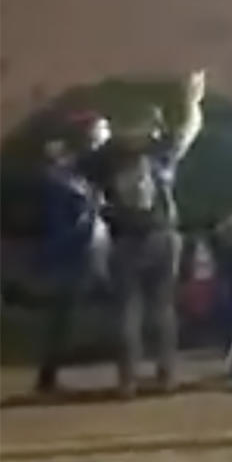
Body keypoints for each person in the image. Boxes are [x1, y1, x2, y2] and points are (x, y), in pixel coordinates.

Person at [88, 73, 205, 396]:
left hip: (125, 238)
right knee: (163, 307)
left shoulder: (104, 158)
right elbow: (188, 131)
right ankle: (166, 376)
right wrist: (193, 100)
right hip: (164, 236)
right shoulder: (160, 152)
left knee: (127, 310)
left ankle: (127, 381)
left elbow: (86, 186)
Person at [34, 133, 109, 394]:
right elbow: (66, 223)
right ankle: (48, 376)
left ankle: (50, 373)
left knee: (65, 316)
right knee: (62, 316)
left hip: (80, 251)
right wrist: (90, 212)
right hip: (70, 254)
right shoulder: (57, 183)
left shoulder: (73, 181)